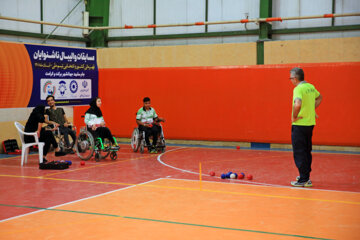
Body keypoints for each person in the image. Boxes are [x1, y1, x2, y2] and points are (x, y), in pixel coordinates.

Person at [289, 67, 323, 187]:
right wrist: (311, 109)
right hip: (310, 124)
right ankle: (306, 176)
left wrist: (294, 116)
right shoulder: (310, 87)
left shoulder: (298, 89)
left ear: (295, 78)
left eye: (291, 78)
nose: (290, 80)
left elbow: (297, 104)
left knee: (299, 152)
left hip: (299, 125)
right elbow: (319, 97)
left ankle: (304, 179)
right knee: (306, 151)